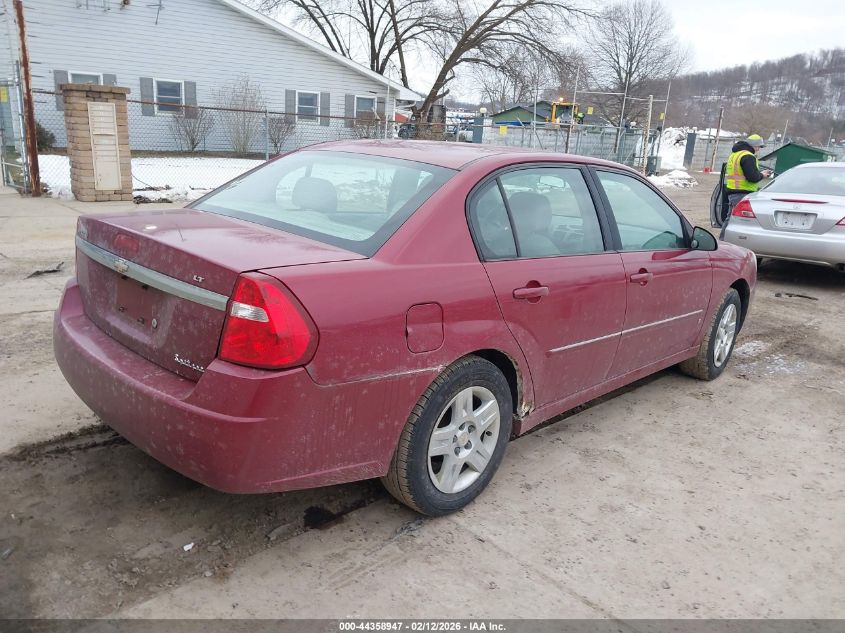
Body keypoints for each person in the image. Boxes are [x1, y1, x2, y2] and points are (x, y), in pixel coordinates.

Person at [722, 134, 773, 222]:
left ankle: (724, 236)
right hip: (743, 192)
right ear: (754, 145)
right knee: (740, 221)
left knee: (730, 219)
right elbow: (753, 177)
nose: (758, 149)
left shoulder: (735, 154)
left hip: (733, 191)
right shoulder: (748, 156)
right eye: (759, 147)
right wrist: (763, 175)